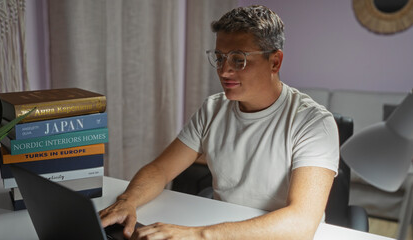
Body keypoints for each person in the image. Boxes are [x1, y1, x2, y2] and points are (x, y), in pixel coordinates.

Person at [100, 5, 339, 240]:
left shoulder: (314, 123)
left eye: (238, 59)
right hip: (224, 228)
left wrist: (198, 234)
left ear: (275, 62)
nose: (224, 71)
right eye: (219, 57)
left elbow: (301, 223)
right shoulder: (213, 109)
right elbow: (161, 170)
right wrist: (126, 201)